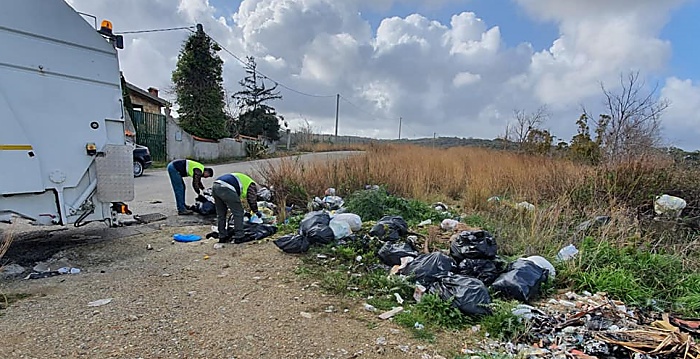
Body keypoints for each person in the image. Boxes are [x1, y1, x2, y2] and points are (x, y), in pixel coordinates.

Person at [206, 172, 264, 243]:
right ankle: (239, 236)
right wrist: (255, 211)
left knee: (221, 214)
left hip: (215, 186)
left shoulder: (244, 179)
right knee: (238, 213)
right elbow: (252, 199)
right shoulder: (252, 185)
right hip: (226, 188)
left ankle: (222, 236)